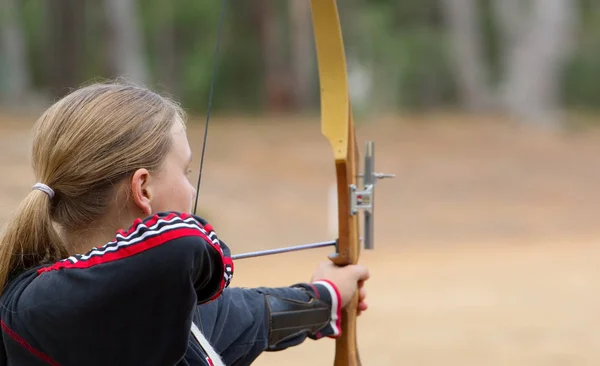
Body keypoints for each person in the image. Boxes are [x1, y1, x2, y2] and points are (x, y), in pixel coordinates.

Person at [0, 82, 370, 366]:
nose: (191, 188)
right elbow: (179, 246)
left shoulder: (167, 308)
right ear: (142, 188)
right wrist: (214, 267)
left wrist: (328, 297)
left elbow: (258, 314)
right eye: (185, 170)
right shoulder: (35, 308)